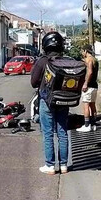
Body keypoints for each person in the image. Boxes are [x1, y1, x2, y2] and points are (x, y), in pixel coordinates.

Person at [31, 31, 69, 175]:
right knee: (62, 132)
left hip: (47, 101)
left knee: (48, 133)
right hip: (64, 100)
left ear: (45, 45)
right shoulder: (66, 60)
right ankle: (64, 165)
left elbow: (34, 82)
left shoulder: (42, 61)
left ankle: (50, 165)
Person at [77, 44, 99, 132]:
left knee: (85, 105)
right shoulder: (95, 60)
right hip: (95, 86)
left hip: (89, 86)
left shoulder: (89, 60)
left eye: (82, 51)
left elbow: (89, 72)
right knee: (92, 105)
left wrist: (85, 83)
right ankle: (94, 124)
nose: (82, 53)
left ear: (86, 51)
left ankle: (87, 125)